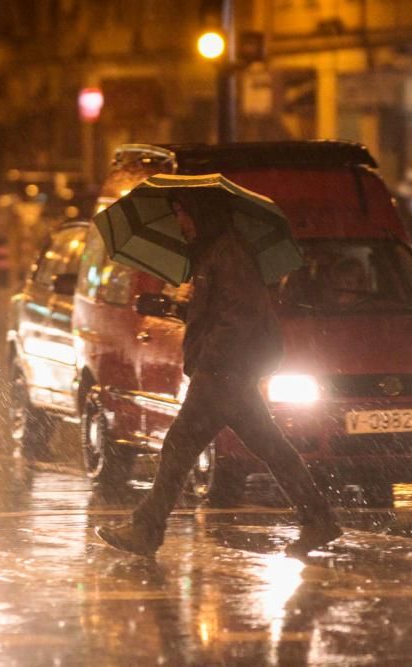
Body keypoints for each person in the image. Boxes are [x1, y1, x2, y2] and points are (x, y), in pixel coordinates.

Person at [95, 193, 342, 558]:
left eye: (182, 212)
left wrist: (209, 361)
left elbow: (238, 316)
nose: (179, 221)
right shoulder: (213, 253)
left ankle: (146, 529)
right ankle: (319, 519)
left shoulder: (229, 253)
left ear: (203, 212)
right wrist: (184, 309)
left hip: (223, 373)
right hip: (229, 372)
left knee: (180, 446)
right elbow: (221, 311)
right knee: (269, 446)